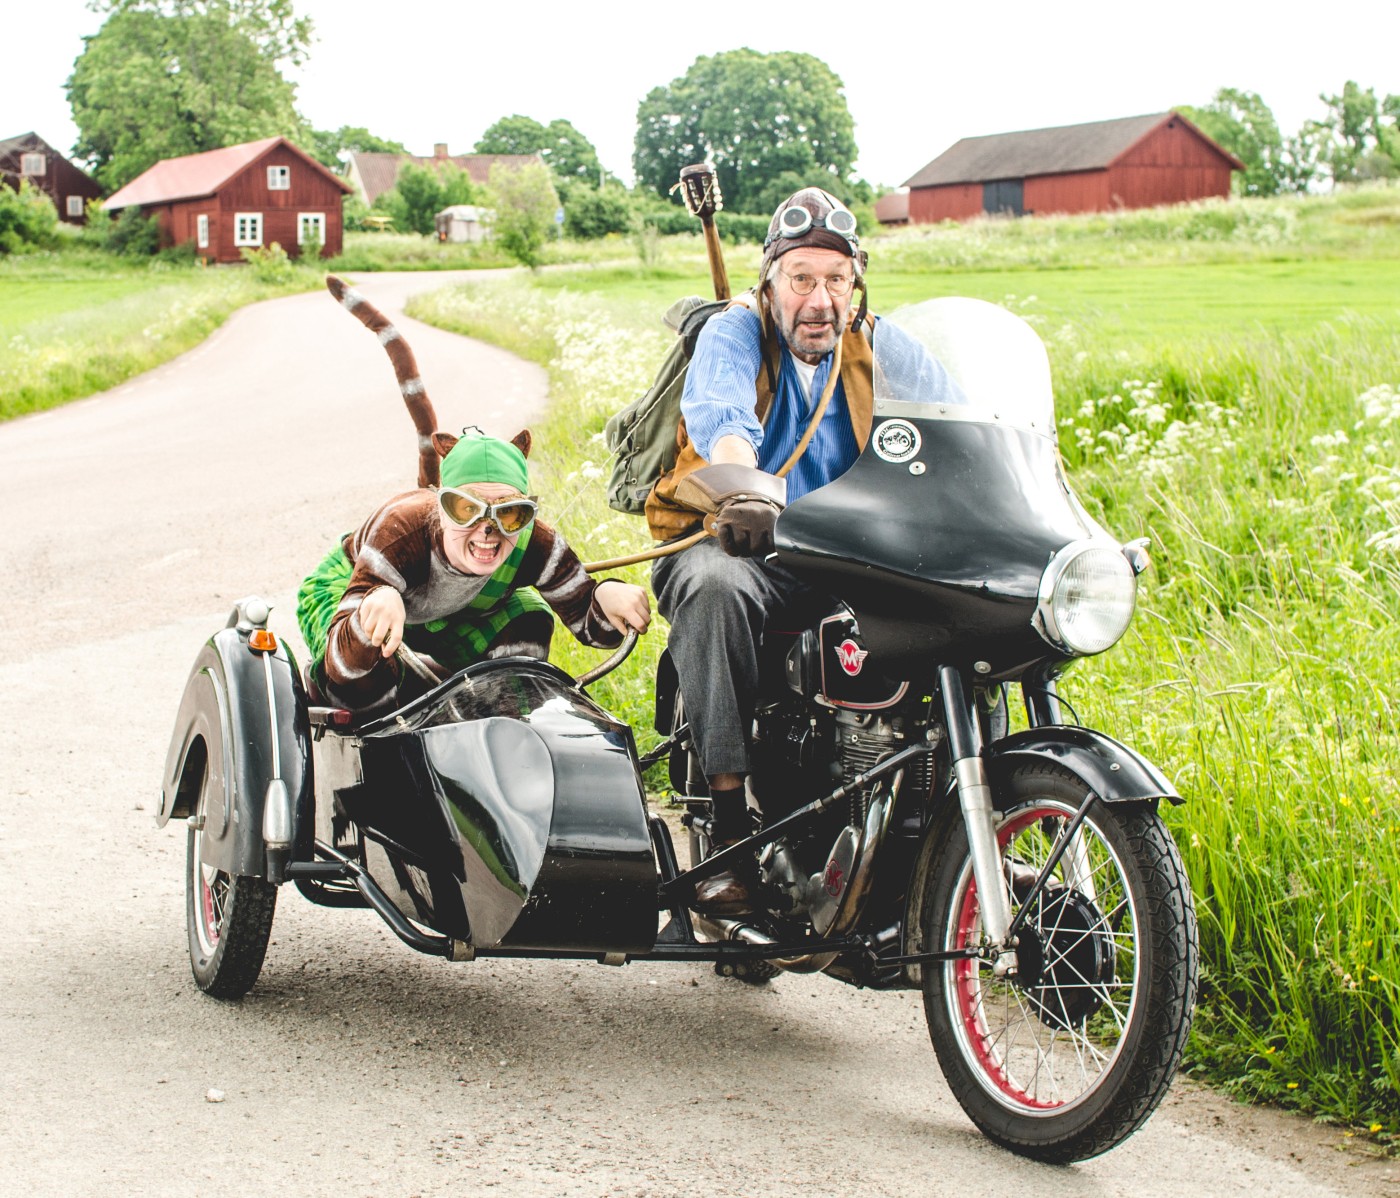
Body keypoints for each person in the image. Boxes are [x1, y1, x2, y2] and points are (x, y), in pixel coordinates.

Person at [646, 187, 964, 912]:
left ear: (856, 288)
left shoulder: (880, 343)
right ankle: (729, 836)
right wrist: (743, 485)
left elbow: (961, 421)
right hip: (734, 538)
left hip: (840, 551)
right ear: (770, 284)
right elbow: (722, 412)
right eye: (802, 280)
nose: (820, 300)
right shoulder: (735, 332)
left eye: (836, 280)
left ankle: (942, 822)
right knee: (716, 589)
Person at [298, 428, 650, 712]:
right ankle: (417, 713)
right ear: (440, 505)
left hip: (455, 612)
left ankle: (486, 726)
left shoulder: (532, 540)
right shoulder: (401, 530)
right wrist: (373, 603)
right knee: (361, 678)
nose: (488, 529)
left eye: (510, 512)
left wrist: (604, 595)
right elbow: (343, 668)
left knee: (528, 619)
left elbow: (599, 633)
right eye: (466, 509)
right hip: (349, 587)